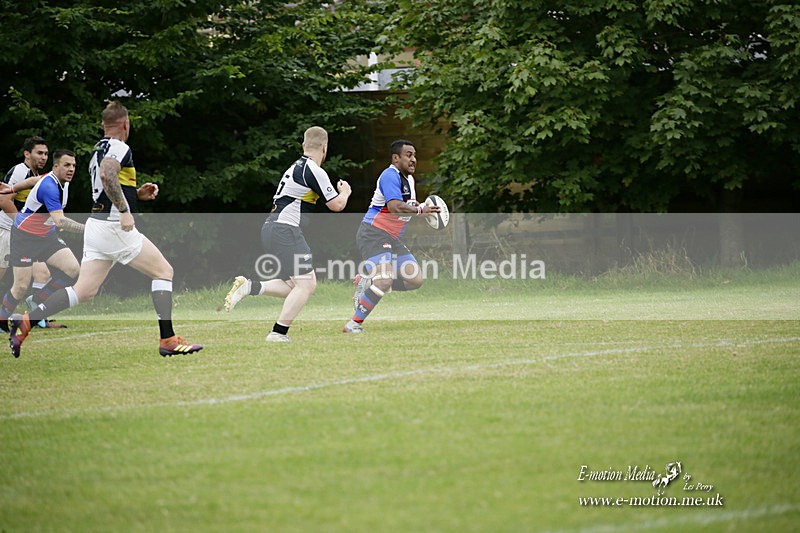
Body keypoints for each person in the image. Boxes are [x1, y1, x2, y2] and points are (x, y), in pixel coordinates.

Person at [8, 101, 203, 357]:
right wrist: (124, 211)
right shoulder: (119, 146)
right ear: (125, 124)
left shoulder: (98, 148)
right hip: (113, 228)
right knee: (163, 271)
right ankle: (167, 339)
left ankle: (27, 320)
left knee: (84, 291)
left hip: (97, 227)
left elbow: (107, 186)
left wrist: (136, 194)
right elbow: (108, 175)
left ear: (103, 125)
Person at [223, 126, 351, 342]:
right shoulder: (313, 170)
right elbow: (336, 205)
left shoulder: (296, 167)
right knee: (307, 284)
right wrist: (345, 192)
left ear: (303, 145)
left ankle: (250, 287)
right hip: (284, 230)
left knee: (295, 285)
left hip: (273, 229)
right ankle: (277, 333)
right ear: (325, 148)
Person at [342, 139, 440, 334]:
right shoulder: (389, 176)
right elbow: (395, 207)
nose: (414, 160)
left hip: (391, 237)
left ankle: (369, 282)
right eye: (408, 155)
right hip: (374, 233)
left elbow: (408, 206)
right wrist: (420, 210)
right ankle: (353, 324)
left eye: (415, 155)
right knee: (385, 280)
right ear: (396, 158)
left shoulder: (409, 180)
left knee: (415, 280)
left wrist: (423, 209)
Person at [0, 150, 84, 344]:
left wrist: (12, 189)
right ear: (56, 166)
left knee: (73, 269)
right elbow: (61, 222)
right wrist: (89, 229)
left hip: (46, 236)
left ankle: (38, 299)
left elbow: (31, 182)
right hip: (25, 236)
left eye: (73, 165)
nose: (71, 169)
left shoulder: (59, 180)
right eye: (66, 165)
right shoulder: (50, 186)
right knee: (20, 286)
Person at [0, 136, 65, 329]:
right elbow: (3, 201)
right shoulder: (20, 171)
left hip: (24, 233)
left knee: (43, 273)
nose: (43, 157)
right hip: (6, 229)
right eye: (39, 153)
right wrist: (24, 225)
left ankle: (36, 318)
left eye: (46, 153)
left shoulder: (40, 176)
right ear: (26, 154)